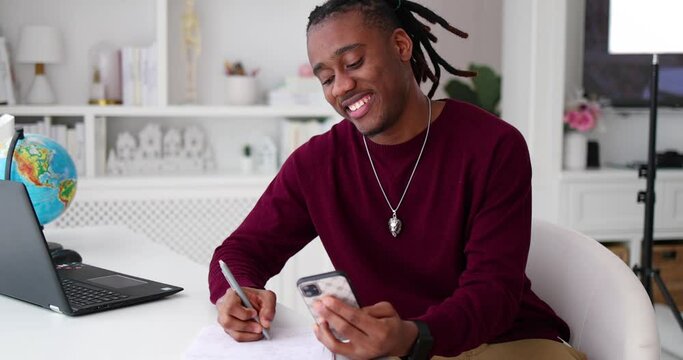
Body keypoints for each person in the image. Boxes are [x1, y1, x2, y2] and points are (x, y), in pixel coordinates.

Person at [209, 1, 586, 359]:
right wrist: (236, 295)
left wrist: (413, 336)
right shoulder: (318, 163)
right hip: (394, 349)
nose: (341, 86)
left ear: (401, 45)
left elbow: (493, 295)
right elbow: (240, 251)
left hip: (504, 341)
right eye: (326, 78)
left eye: (353, 62)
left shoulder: (493, 146)